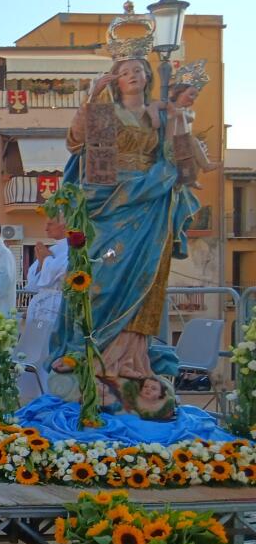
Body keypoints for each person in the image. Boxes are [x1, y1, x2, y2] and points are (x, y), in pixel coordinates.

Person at [48, 22, 199, 395]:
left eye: (138, 70)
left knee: (141, 280)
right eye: (124, 71)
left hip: (149, 205)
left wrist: (178, 125)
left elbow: (182, 164)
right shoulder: (104, 113)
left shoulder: (160, 115)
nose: (132, 75)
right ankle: (86, 349)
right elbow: (78, 146)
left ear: (148, 76)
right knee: (99, 275)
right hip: (110, 203)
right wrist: (90, 100)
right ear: (114, 80)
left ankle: (130, 360)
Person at [167, 60, 217, 189]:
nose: (193, 98)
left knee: (196, 146)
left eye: (196, 95)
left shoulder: (188, 112)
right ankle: (206, 165)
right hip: (171, 142)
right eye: (191, 94)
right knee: (192, 141)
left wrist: (179, 113)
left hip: (183, 144)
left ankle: (191, 178)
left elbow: (190, 118)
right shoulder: (168, 105)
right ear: (179, 92)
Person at [24, 216, 68, 327]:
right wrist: (40, 262)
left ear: (64, 226)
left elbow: (59, 272)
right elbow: (33, 280)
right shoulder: (52, 248)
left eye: (50, 224)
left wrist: (46, 259)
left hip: (57, 303)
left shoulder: (72, 249)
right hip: (42, 302)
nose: (46, 229)